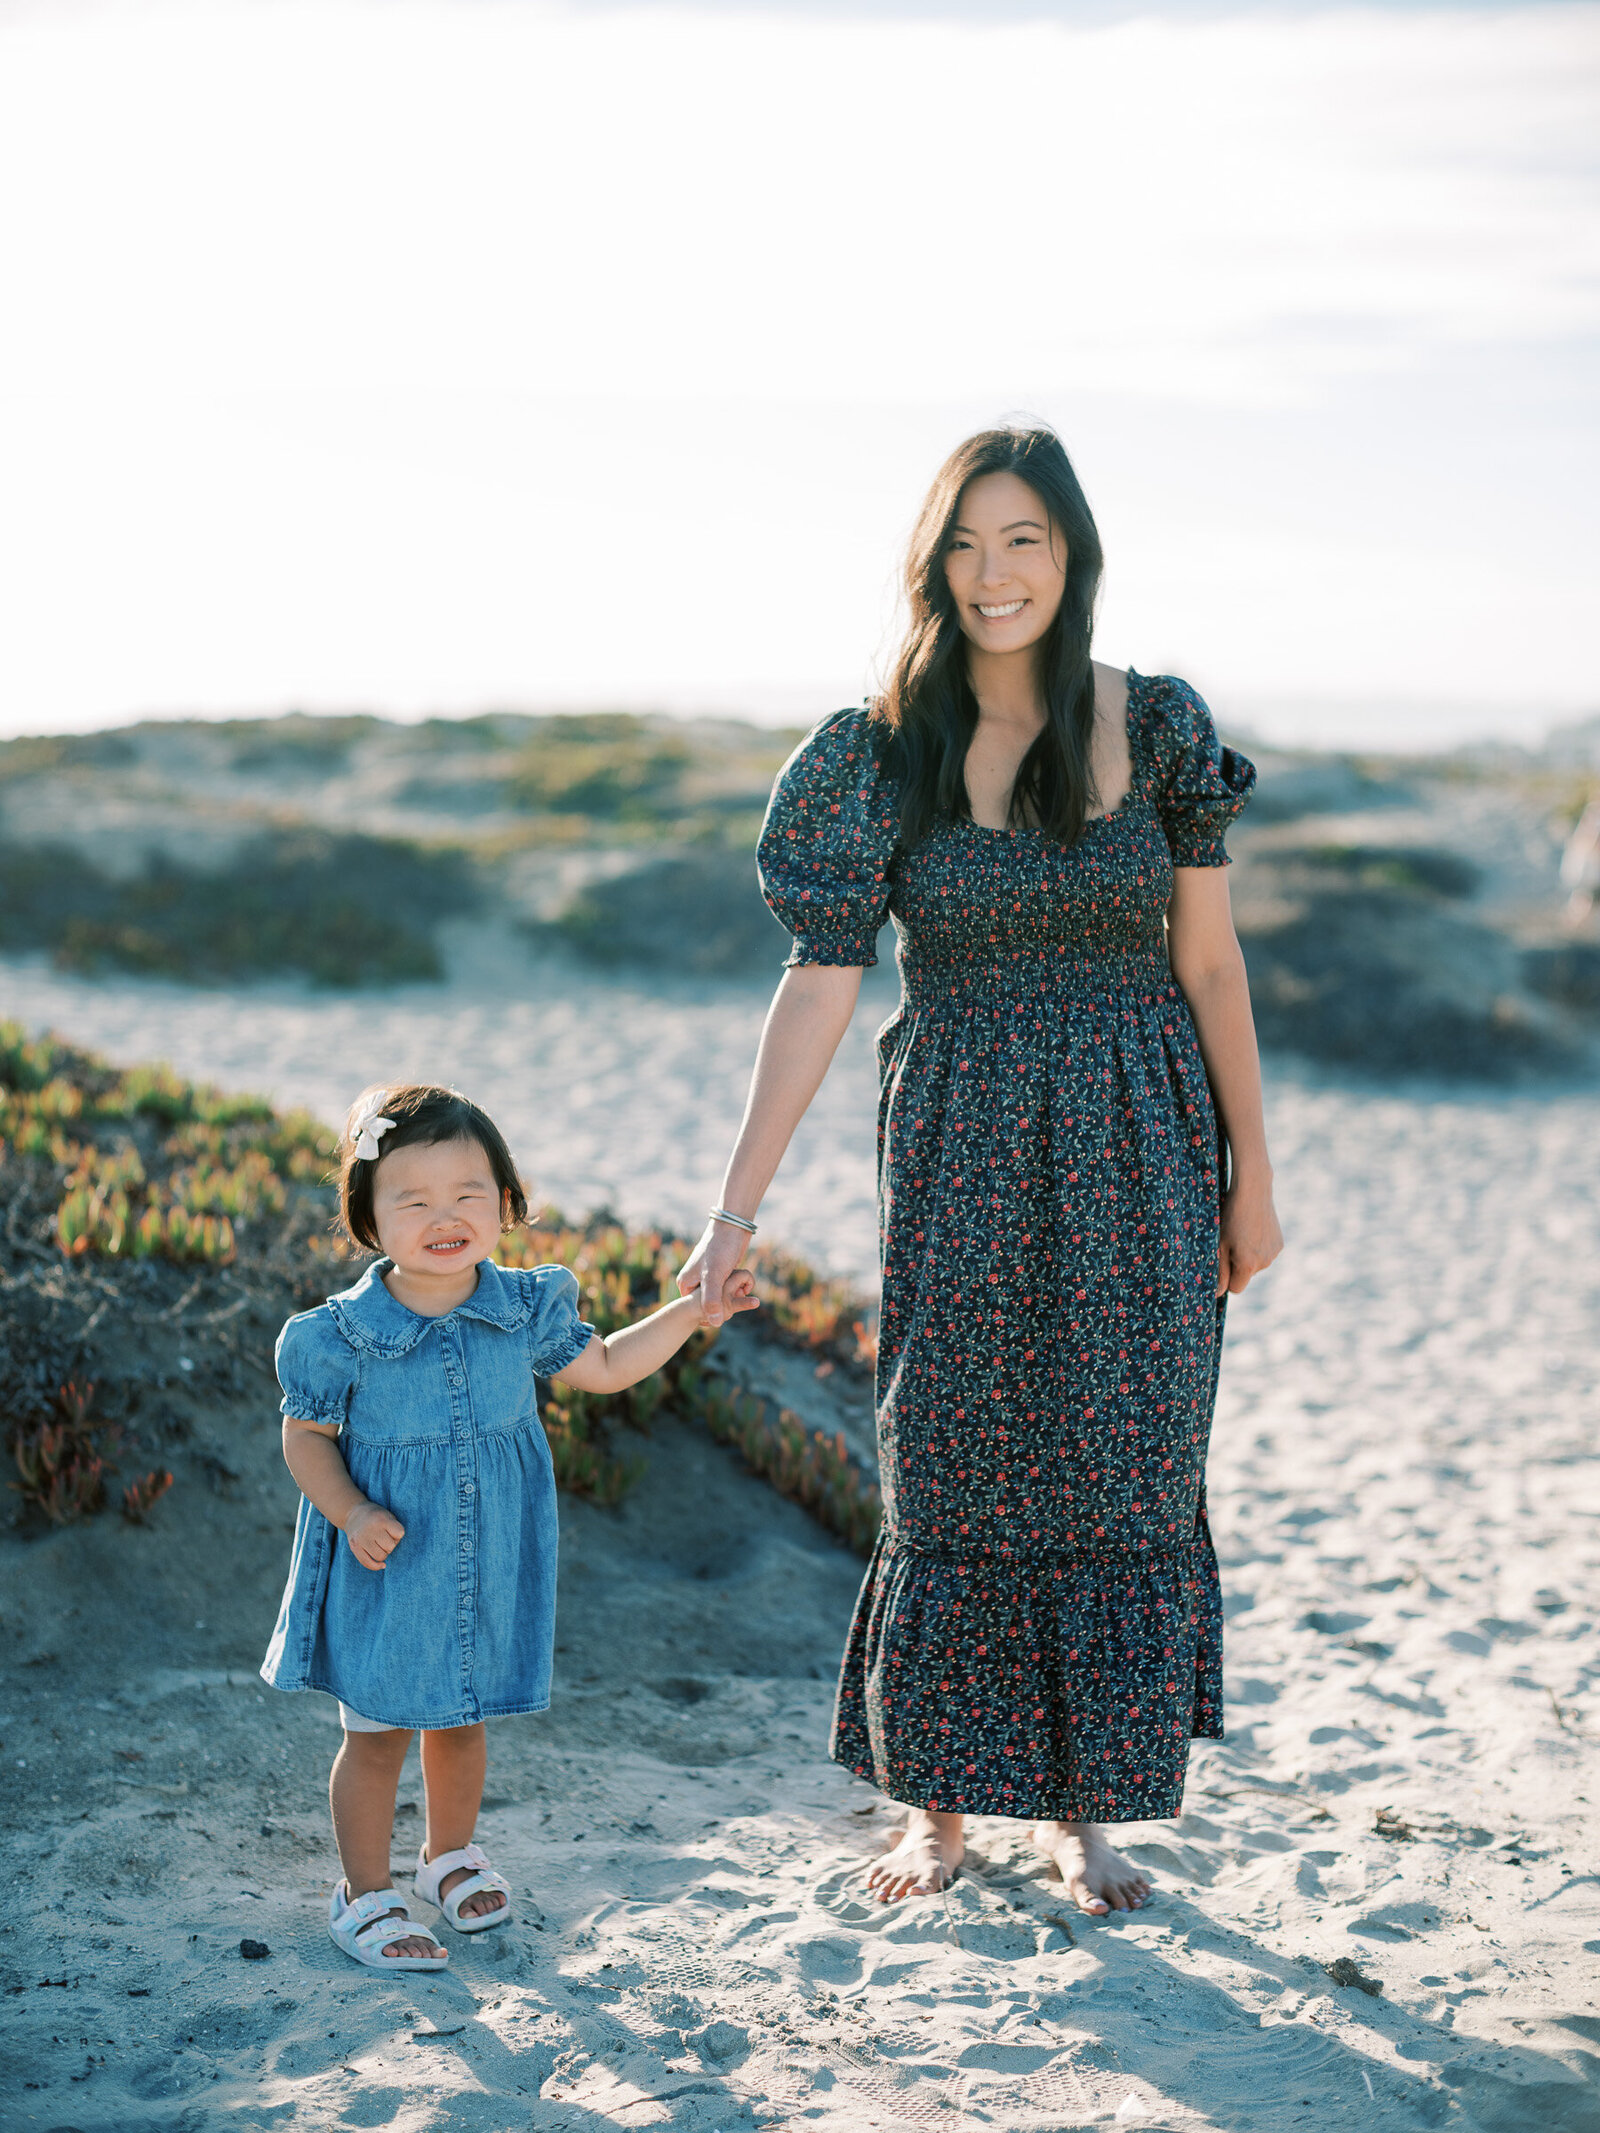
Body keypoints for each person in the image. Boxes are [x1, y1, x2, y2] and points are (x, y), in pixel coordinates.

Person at [678, 425, 1283, 1915]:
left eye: (1023, 539)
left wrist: (1252, 1170)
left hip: (1148, 1137)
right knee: (951, 1453)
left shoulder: (1160, 725)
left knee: (1125, 1451)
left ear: (1070, 552)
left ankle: (1087, 1814)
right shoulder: (878, 752)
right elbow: (820, 987)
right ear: (932, 563)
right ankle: (935, 1811)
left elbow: (1208, 964)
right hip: (959, 1136)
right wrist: (733, 1205)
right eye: (967, 541)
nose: (995, 572)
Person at [261, 1081, 756, 1971]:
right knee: (374, 1737)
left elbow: (604, 1365)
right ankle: (364, 1890)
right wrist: (351, 1508)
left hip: (484, 1556)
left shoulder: (524, 1306)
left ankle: (446, 1853)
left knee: (463, 1716)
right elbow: (305, 1439)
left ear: (506, 1201)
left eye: (469, 1194)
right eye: (412, 1199)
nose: (444, 1215)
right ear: (369, 1217)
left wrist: (693, 1311)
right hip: (389, 1561)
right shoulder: (339, 1335)